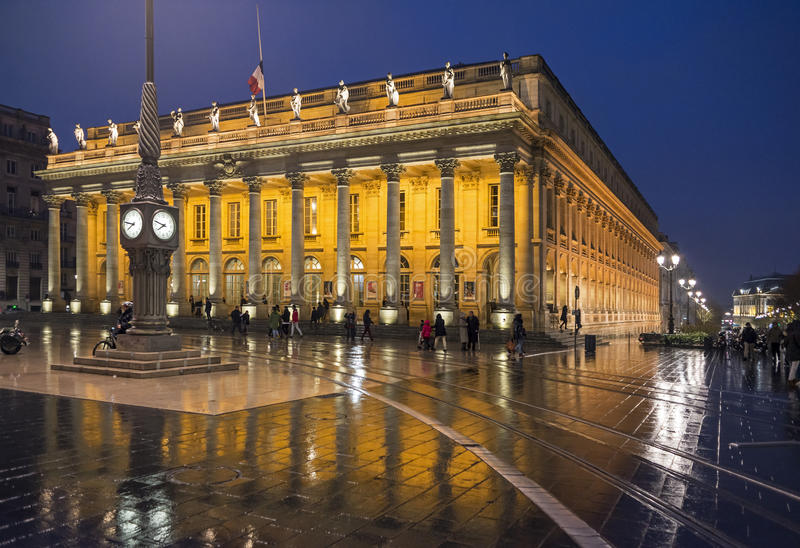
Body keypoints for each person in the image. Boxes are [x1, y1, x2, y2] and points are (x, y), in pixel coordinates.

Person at [785, 321, 800, 386]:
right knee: (794, 367)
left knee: (793, 366)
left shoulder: (790, 333)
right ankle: (791, 379)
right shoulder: (796, 333)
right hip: (796, 352)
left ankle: (792, 379)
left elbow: (785, 342)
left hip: (790, 352)